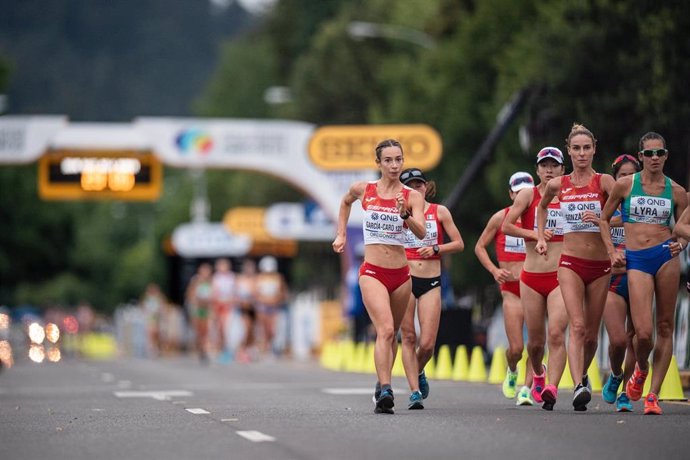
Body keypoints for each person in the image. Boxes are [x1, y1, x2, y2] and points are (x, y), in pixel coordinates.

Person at [332, 138, 426, 414]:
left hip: (401, 274)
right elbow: (345, 202)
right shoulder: (365, 189)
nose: (394, 165)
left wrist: (405, 215)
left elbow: (420, 232)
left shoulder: (412, 196)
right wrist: (340, 233)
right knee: (384, 329)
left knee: (392, 333)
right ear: (379, 163)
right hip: (372, 272)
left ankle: (380, 383)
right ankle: (386, 390)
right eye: (388, 160)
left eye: (398, 159)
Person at [600, 131, 688, 415]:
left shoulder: (676, 191)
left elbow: (684, 225)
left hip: (665, 256)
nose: (654, 158)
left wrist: (682, 244)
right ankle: (640, 368)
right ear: (640, 157)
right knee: (643, 333)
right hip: (636, 259)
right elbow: (603, 219)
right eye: (649, 153)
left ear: (666, 156)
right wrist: (612, 252)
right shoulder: (625, 185)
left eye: (659, 153)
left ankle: (653, 394)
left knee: (665, 327)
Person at [536, 124, 616, 411]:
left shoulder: (605, 182)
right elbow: (542, 207)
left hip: (600, 266)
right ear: (569, 151)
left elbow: (624, 215)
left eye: (587, 148)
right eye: (576, 148)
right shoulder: (558, 185)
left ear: (594, 149)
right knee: (577, 326)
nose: (582, 153)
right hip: (570, 263)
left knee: (592, 334)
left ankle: (581, 373)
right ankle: (579, 386)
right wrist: (540, 236)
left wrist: (601, 220)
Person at [502, 146, 568, 411]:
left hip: (561, 276)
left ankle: (551, 387)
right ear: (537, 169)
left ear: (563, 169)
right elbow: (507, 225)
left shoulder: (570, 195)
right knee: (536, 341)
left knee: (556, 333)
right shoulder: (529, 195)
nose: (549, 170)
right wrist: (536, 236)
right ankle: (538, 375)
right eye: (544, 165)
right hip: (531, 277)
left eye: (554, 165)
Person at [399, 168, 464, 410]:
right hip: (405, 278)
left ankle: (418, 371)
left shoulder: (440, 211)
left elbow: (459, 243)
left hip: (431, 280)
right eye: (411, 185)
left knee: (427, 344)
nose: (416, 189)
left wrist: (437, 249)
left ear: (426, 187)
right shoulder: (398, 212)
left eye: (420, 184)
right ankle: (414, 391)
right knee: (408, 337)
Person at [475, 171, 535, 406]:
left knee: (537, 344)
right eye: (518, 192)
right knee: (517, 348)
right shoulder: (501, 218)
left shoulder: (540, 217)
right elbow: (479, 247)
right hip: (511, 290)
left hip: (535, 287)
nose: (522, 195)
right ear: (511, 194)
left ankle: (527, 389)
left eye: (526, 191)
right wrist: (494, 270)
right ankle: (512, 370)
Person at [601, 155, 641, 411]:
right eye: (621, 175)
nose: (626, 179)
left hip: (640, 278)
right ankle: (615, 375)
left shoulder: (645, 207)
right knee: (618, 341)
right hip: (612, 281)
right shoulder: (605, 208)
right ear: (614, 179)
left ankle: (626, 391)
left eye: (631, 175)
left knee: (637, 337)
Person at [255, 256, 289, 358]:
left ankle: (272, 347)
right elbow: (256, 294)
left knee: (273, 329)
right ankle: (265, 349)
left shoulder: (278, 278)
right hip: (263, 307)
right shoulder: (259, 278)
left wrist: (277, 299)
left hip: (274, 307)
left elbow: (283, 293)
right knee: (264, 329)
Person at [186, 263, 213, 363]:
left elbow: (213, 296)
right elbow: (190, 295)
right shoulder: (196, 281)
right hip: (198, 310)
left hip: (207, 310)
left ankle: (205, 350)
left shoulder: (210, 281)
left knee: (206, 331)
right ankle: (201, 349)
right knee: (199, 332)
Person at [211, 258, 236, 363]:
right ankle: (221, 349)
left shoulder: (231, 277)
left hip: (228, 306)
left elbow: (234, 293)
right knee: (220, 329)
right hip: (219, 306)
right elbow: (215, 293)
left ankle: (228, 350)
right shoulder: (216, 277)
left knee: (227, 328)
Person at [235, 259, 258, 363]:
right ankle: (241, 350)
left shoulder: (256, 280)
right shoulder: (239, 279)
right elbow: (235, 294)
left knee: (252, 332)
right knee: (246, 330)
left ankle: (247, 350)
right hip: (243, 308)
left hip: (253, 308)